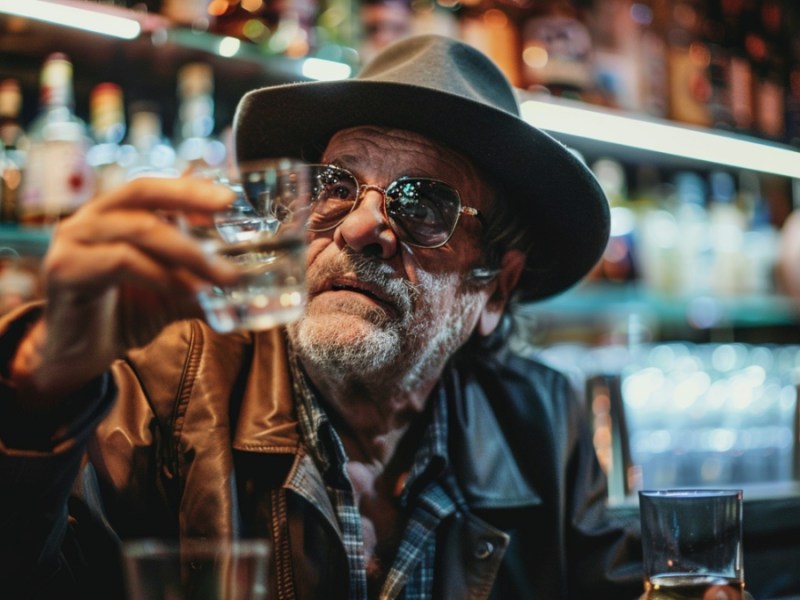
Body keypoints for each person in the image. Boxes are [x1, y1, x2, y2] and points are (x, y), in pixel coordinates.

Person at [0, 35, 642, 599]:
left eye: (422, 204)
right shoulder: (158, 388)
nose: (362, 227)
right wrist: (35, 399)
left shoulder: (544, 422)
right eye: (335, 186)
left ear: (496, 292)